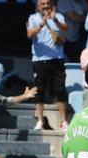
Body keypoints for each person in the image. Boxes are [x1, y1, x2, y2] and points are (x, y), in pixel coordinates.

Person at [27, 0, 69, 131]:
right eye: (43, 4)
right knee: (40, 91)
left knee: (60, 90)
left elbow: (65, 30)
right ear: (38, 6)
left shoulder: (59, 16)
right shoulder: (33, 18)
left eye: (48, 4)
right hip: (39, 60)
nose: (45, 6)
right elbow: (29, 34)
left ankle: (63, 121)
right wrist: (41, 24)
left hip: (57, 59)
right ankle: (40, 120)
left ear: (52, 5)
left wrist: (54, 20)